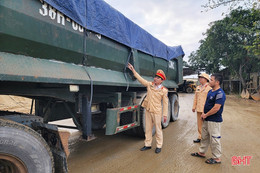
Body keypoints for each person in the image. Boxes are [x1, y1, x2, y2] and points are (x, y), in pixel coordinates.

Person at [128, 63, 168, 154]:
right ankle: (147, 144)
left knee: (158, 129)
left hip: (157, 111)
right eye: (155, 77)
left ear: (161, 80)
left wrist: (165, 115)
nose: (155, 78)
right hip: (148, 110)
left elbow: (165, 104)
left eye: (157, 78)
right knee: (148, 128)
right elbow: (141, 80)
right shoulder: (150, 85)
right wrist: (133, 70)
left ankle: (159, 145)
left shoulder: (164, 90)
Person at [191, 73, 226, 164]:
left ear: (217, 82)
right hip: (206, 119)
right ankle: (202, 152)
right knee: (204, 137)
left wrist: (206, 115)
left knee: (214, 139)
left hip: (214, 120)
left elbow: (216, 108)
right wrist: (203, 113)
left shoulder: (220, 94)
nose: (209, 81)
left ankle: (217, 158)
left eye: (211, 80)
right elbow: (206, 104)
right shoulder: (210, 91)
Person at [192, 73, 212, 143]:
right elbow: (195, 98)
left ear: (206, 79)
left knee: (207, 125)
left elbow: (210, 100)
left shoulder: (209, 88)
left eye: (201, 77)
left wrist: (208, 110)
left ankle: (207, 138)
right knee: (199, 124)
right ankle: (200, 137)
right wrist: (194, 106)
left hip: (206, 110)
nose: (200, 79)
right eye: (199, 77)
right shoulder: (198, 87)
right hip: (199, 109)